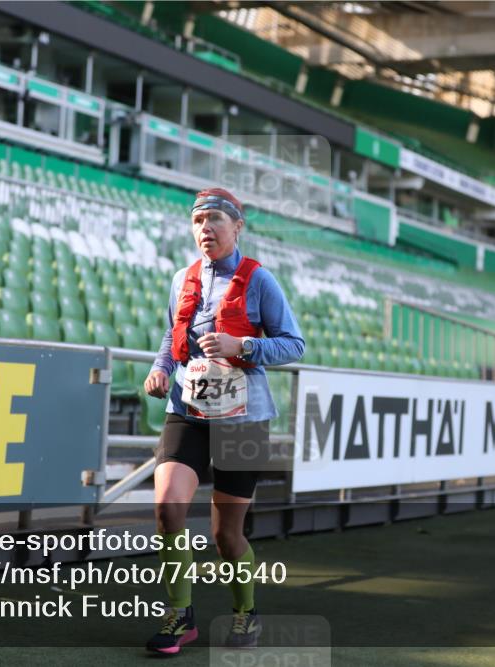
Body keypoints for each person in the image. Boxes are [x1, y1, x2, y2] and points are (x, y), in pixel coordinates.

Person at [142, 187, 304, 654]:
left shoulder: (260, 281)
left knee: (225, 534)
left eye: (214, 219)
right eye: (197, 221)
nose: (204, 229)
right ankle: (180, 616)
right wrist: (160, 369)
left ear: (237, 227)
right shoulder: (182, 278)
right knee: (168, 507)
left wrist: (244, 347)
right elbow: (171, 336)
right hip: (187, 411)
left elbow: (294, 344)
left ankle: (245, 614)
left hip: (243, 419)